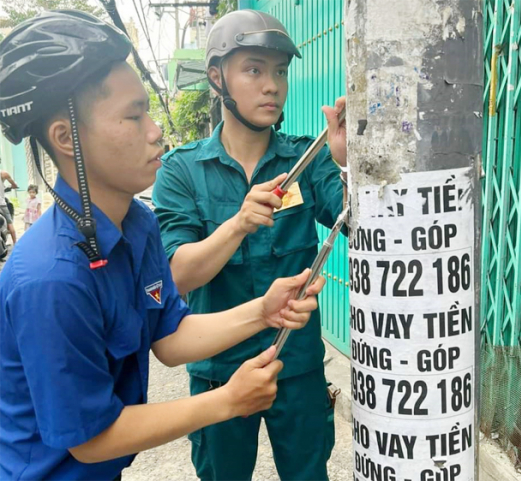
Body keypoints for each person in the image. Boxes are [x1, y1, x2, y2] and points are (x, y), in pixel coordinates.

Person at [0, 10, 325, 481]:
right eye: (134, 115)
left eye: (148, 111)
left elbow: (169, 338)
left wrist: (264, 311)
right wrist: (225, 400)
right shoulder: (50, 277)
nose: (155, 131)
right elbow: (92, 441)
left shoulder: (137, 226)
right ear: (66, 138)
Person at [152, 9, 347, 481]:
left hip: (296, 367)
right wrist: (237, 224)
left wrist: (347, 164)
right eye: (254, 69)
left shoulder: (308, 158)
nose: (273, 85)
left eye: (279, 71)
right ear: (217, 78)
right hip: (218, 370)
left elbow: (362, 227)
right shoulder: (181, 171)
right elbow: (178, 273)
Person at [0, 169, 18, 244]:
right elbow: (14, 185)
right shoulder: (3, 173)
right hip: (1, 203)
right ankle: (15, 244)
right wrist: (12, 186)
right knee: (10, 223)